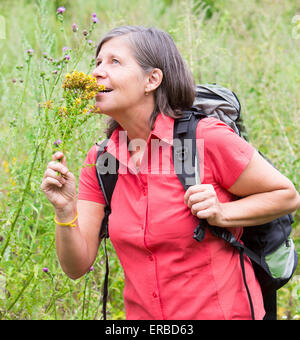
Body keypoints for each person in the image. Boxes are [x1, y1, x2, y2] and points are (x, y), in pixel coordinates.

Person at [41, 26, 300, 320]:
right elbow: (76, 267)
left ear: (152, 80)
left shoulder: (205, 139)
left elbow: (286, 195)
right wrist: (64, 212)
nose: (97, 72)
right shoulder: (102, 160)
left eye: (114, 62)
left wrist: (222, 213)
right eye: (97, 62)